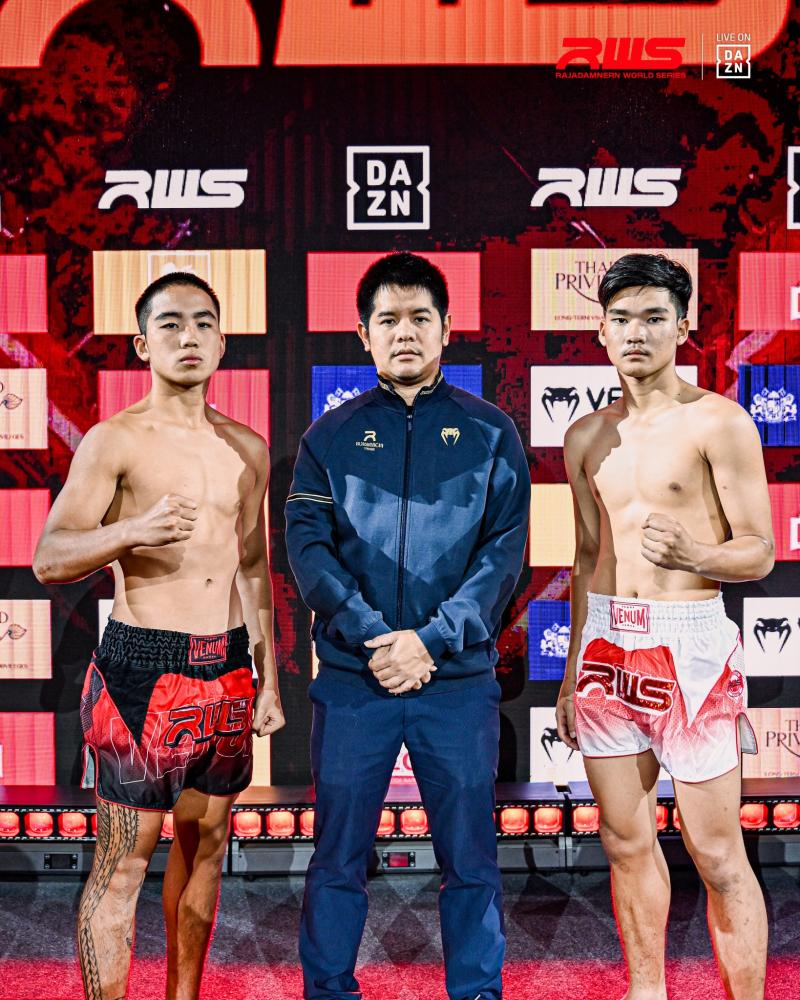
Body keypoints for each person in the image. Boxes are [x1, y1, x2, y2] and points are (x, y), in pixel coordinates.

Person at [33, 271, 284, 1000]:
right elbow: (50, 557)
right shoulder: (115, 440)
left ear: (223, 342)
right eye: (170, 324)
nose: (189, 337)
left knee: (206, 850)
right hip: (141, 672)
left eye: (203, 323)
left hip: (226, 671)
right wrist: (132, 530)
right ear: (143, 344)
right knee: (124, 863)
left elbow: (253, 568)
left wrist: (267, 677)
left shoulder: (248, 448)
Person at [285, 252, 530, 1000]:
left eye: (420, 317)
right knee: (337, 857)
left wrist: (431, 640)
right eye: (388, 319)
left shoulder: (491, 432)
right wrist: (375, 637)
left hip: (455, 680)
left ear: (447, 328)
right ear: (363, 334)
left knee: (471, 859)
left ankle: (477, 992)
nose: (405, 332)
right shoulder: (329, 437)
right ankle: (329, 989)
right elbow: (309, 551)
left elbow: (503, 556)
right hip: (355, 680)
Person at [556, 253, 772, 1000]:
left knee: (716, 851)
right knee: (624, 840)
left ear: (683, 327)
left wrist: (698, 554)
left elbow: (760, 551)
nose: (636, 333)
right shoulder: (585, 436)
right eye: (621, 319)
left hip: (692, 644)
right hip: (607, 649)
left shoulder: (719, 421)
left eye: (654, 318)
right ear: (602, 331)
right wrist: (572, 672)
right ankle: (645, 991)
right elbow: (586, 560)